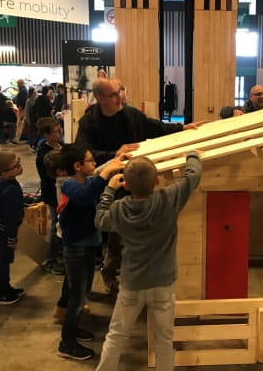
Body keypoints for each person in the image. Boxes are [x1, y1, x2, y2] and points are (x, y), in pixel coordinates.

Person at [75, 77, 206, 292]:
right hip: (113, 183)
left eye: (120, 91)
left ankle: (134, 271)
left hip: (137, 180)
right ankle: (110, 272)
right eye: (114, 95)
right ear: (100, 98)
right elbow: (85, 154)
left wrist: (183, 128)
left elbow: (154, 127)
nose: (120, 98)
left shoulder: (130, 114)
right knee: (117, 235)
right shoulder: (89, 123)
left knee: (139, 233)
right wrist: (113, 154)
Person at [94, 152, 202, 371]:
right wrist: (192, 156)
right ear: (157, 181)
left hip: (132, 283)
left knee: (116, 336)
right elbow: (192, 177)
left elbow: (100, 220)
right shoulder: (168, 199)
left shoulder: (119, 209)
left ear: (126, 185)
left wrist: (109, 190)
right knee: (164, 341)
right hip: (162, 283)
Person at [56, 144, 125, 361]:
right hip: (75, 248)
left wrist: (115, 158)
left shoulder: (83, 179)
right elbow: (86, 196)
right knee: (77, 297)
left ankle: (73, 329)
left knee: (83, 290)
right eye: (90, 161)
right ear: (77, 166)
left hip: (85, 247)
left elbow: (95, 176)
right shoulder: (67, 185)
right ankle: (66, 343)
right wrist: (106, 174)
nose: (95, 165)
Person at [0, 151, 25, 306]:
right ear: (5, 172)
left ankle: (5, 287)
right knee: (1, 262)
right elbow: (12, 219)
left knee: (3, 260)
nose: (20, 166)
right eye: (16, 165)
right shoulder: (11, 190)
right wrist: (12, 238)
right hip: (4, 231)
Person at [35, 117, 65, 275]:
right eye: (56, 132)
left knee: (61, 224)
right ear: (46, 135)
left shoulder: (61, 146)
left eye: (60, 130)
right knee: (55, 226)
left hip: (61, 192)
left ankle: (59, 253)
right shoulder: (44, 155)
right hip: (53, 194)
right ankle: (50, 260)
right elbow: (50, 177)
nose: (60, 133)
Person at [13, 79, 29, 143]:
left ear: (20, 84)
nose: (17, 85)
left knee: (19, 124)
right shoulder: (24, 90)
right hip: (22, 109)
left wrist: (21, 107)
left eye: (18, 84)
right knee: (20, 124)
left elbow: (22, 100)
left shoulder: (23, 91)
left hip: (22, 109)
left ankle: (16, 139)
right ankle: (16, 138)